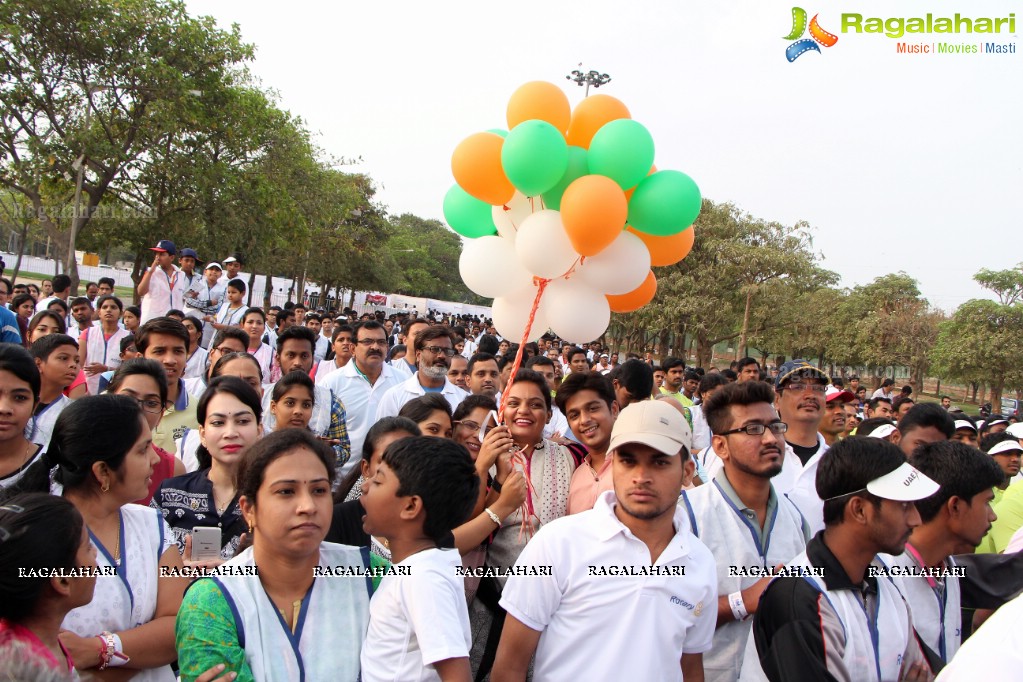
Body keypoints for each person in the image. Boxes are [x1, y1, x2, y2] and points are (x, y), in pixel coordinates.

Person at [492, 399, 716, 681]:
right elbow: (510, 667)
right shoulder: (557, 545)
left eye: (659, 462)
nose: (641, 477)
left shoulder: (700, 563)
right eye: (628, 460)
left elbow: (689, 667)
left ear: (687, 471)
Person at [176, 429, 380, 681]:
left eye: (319, 490)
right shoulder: (210, 601)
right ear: (249, 509)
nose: (308, 506)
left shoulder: (372, 574)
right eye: (286, 491)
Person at [750, 437, 939, 682]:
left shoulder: (886, 581)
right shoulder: (797, 598)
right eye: (904, 505)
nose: (916, 520)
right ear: (859, 510)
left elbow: (927, 670)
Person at [52, 395, 188, 680]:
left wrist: (99, 650)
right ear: (103, 471)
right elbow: (43, 648)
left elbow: (177, 624)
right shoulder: (42, 536)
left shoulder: (152, 524)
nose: (155, 459)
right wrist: (141, 651)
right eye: (143, 450)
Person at [683, 381, 809, 682]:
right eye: (752, 429)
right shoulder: (687, 515)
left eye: (775, 427)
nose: (770, 438)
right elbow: (663, 614)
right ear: (720, 446)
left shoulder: (795, 520)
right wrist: (741, 602)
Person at [359, 436, 478, 681]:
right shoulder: (418, 568)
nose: (365, 486)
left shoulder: (423, 578)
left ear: (411, 507)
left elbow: (457, 674)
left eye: (378, 480)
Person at [881, 440, 1003, 663]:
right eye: (986, 502)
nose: (992, 515)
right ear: (955, 506)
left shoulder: (947, 566)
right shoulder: (884, 578)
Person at [153, 376, 262, 564]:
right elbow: (143, 567)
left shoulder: (273, 497)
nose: (230, 433)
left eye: (243, 421)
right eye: (218, 423)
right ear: (202, 434)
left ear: (259, 430)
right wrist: (177, 571)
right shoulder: (170, 493)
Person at [0, 493, 97, 679]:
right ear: (62, 580)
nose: (94, 555)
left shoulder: (45, 644)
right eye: (87, 547)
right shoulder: (17, 669)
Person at [321, 321, 403, 475]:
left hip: (388, 477)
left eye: (381, 342)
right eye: (367, 342)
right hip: (341, 478)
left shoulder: (402, 381)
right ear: (353, 348)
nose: (375, 347)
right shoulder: (331, 383)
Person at [106, 358, 186, 504]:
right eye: (128, 398)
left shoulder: (172, 469)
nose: (138, 409)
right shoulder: (85, 458)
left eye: (151, 403)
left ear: (161, 414)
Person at [375, 326, 468, 419]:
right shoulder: (395, 396)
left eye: (447, 351)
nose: (442, 356)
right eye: (435, 349)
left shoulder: (463, 399)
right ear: (418, 354)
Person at [556, 371, 618, 514]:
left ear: (614, 409)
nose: (584, 420)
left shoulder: (640, 468)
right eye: (574, 415)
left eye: (593, 408)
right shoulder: (575, 477)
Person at [137, 317, 199, 455]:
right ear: (140, 358)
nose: (170, 360)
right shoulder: (114, 404)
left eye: (178, 351)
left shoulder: (200, 412)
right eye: (159, 351)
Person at [28, 334, 79, 452]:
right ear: (38, 364)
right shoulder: (14, 403)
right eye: (63, 358)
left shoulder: (73, 411)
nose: (73, 365)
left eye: (77, 360)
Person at [79, 294, 131, 394]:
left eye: (113, 307)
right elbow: (78, 364)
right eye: (104, 307)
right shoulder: (88, 333)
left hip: (116, 389)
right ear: (99, 312)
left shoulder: (128, 336)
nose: (108, 310)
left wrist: (107, 369)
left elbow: (130, 368)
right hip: (88, 389)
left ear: (121, 313)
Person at [183, 327, 249, 399]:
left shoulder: (244, 397)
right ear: (211, 354)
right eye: (226, 351)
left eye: (239, 354)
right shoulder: (184, 388)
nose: (231, 358)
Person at [138, 240, 186, 323]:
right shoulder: (151, 272)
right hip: (153, 321)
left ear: (171, 257)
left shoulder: (181, 274)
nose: (158, 257)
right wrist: (150, 272)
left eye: (162, 254)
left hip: (174, 321)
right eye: (156, 254)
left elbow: (181, 296)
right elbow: (140, 292)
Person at [241, 308, 273, 379]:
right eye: (250, 322)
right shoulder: (234, 349)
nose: (254, 326)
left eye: (259, 323)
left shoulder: (271, 353)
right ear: (242, 325)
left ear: (264, 327)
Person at [182, 316, 209, 380]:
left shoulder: (206, 357)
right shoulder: (172, 354)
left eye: (189, 327)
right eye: (182, 328)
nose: (184, 331)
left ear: (198, 334)